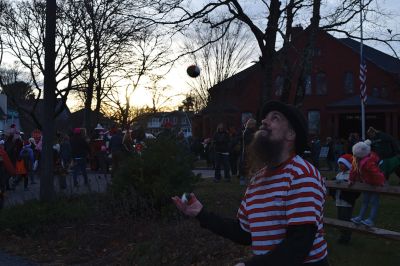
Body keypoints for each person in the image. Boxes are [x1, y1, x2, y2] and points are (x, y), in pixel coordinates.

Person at [172, 100, 328, 266]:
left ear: (290, 134)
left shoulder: (302, 175)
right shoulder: (258, 179)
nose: (264, 121)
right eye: (265, 118)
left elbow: (299, 244)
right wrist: (201, 214)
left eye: (275, 118)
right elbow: (244, 232)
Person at [349, 140, 385, 227]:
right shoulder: (357, 160)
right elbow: (353, 170)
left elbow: (376, 173)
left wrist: (379, 183)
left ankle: (371, 220)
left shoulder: (369, 161)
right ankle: (360, 217)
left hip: (375, 184)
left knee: (374, 202)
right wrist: (351, 179)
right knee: (365, 201)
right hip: (367, 183)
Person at [330, 154, 359, 244]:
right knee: (340, 219)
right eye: (339, 164)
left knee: (346, 219)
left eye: (342, 163)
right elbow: (333, 182)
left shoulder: (351, 175)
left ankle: (347, 237)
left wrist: (343, 183)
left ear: (348, 164)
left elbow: (352, 185)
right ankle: (342, 235)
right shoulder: (339, 174)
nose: (340, 165)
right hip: (339, 201)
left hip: (347, 202)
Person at [238, 118, 256, 186]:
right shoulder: (247, 132)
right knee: (246, 166)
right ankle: (244, 181)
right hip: (247, 151)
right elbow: (249, 141)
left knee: (247, 166)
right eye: (254, 124)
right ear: (251, 125)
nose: (255, 126)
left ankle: (246, 180)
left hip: (248, 151)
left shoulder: (249, 131)